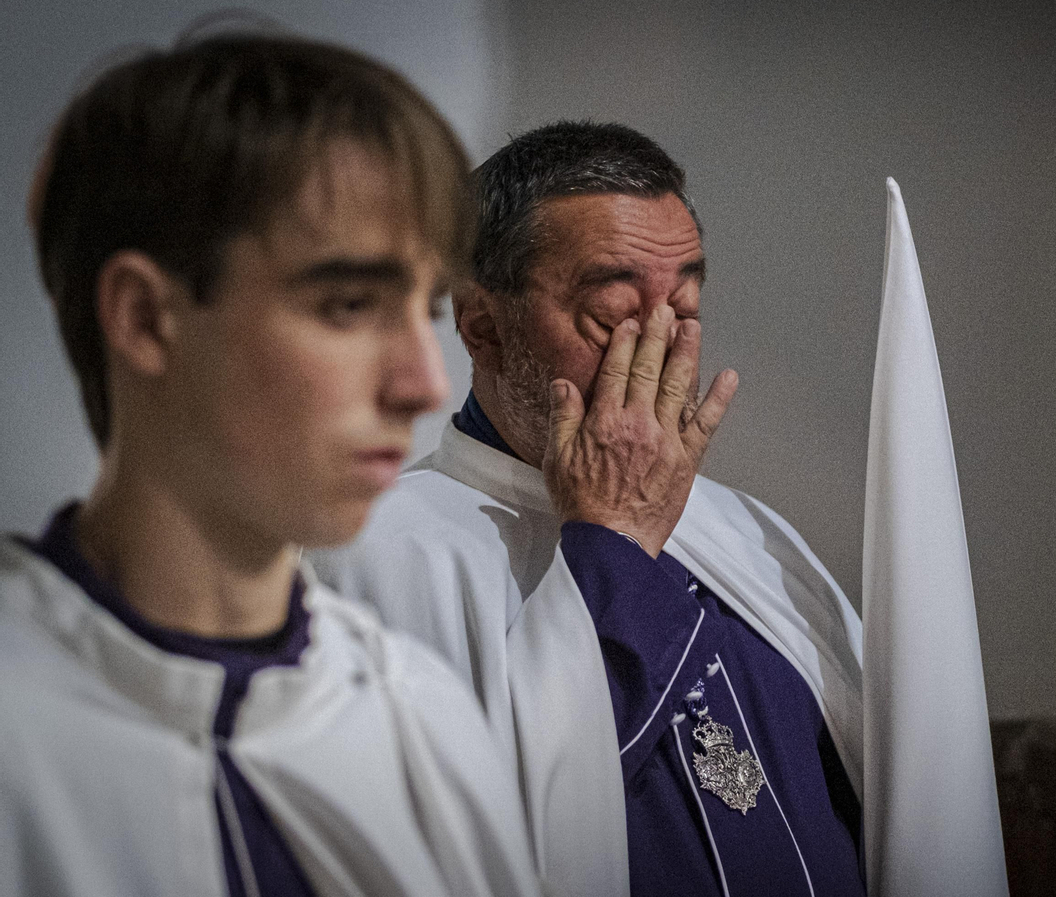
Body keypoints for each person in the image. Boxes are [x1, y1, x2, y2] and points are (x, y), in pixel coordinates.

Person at [2, 32, 541, 897]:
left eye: (426, 309)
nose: (423, 384)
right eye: (349, 304)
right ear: (144, 318)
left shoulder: (422, 724)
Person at [313, 121, 868, 896]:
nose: (662, 350)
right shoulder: (371, 556)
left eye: (684, 306)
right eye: (612, 315)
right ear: (483, 325)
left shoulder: (750, 535)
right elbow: (491, 840)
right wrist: (614, 540)